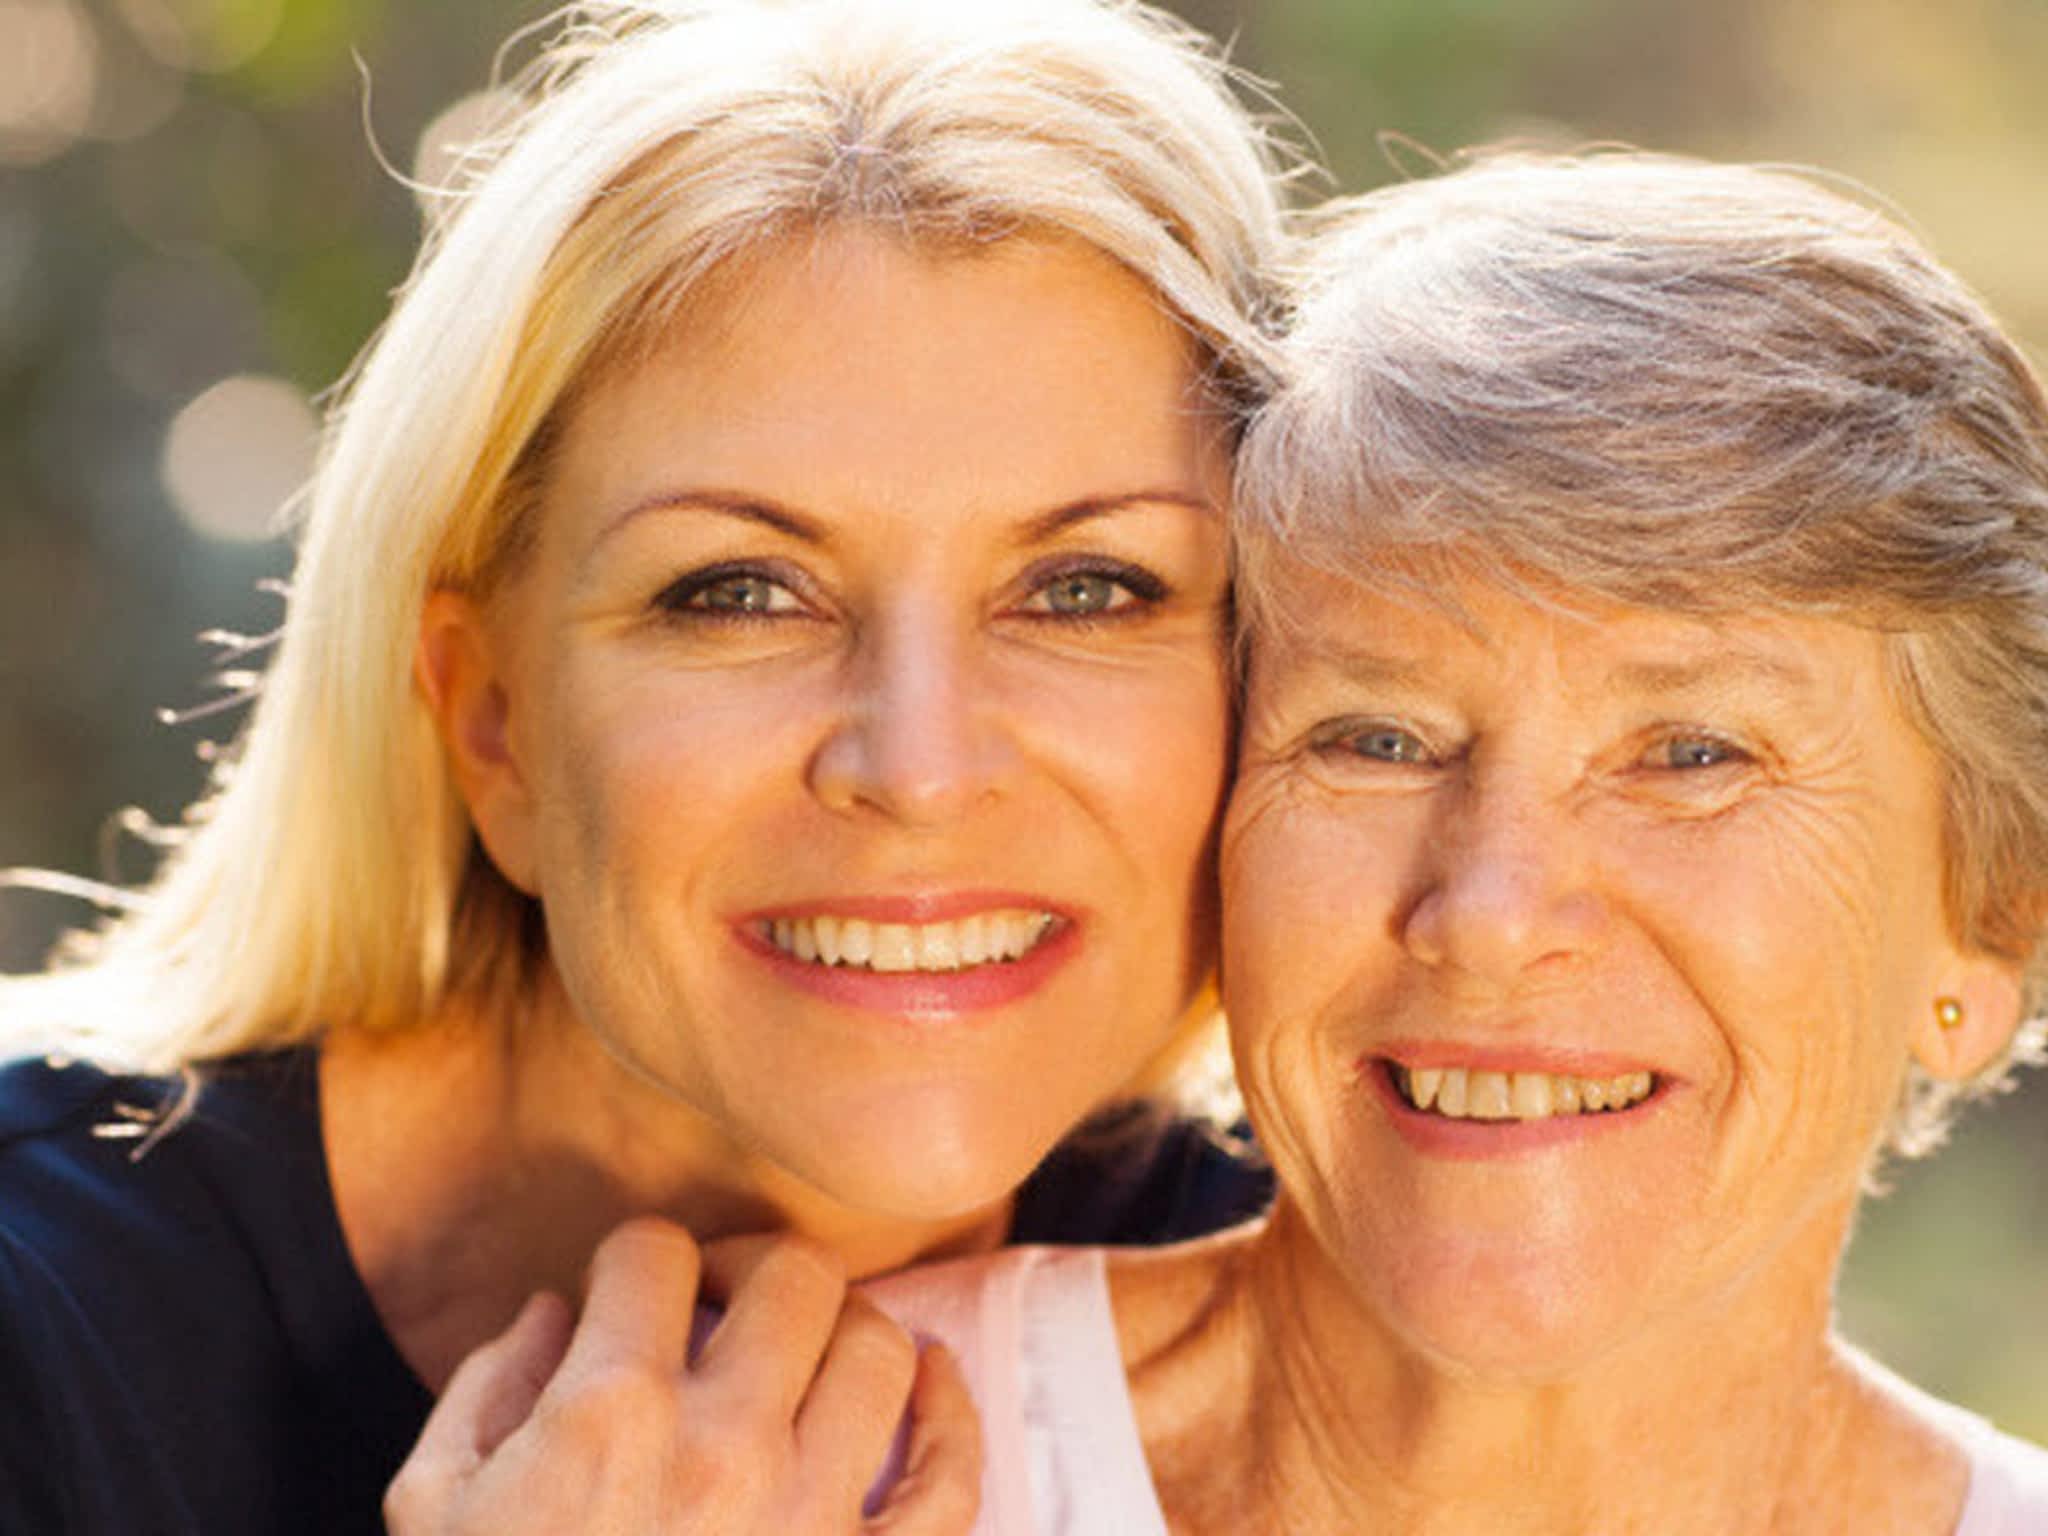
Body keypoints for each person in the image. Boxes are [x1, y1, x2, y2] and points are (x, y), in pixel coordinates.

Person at [0, 2, 1294, 1530]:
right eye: (738, 590)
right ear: (493, 724)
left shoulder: (1386, 1325)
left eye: (1089, 587)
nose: (923, 768)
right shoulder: (41, 1331)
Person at [836, 151, 2048, 1534]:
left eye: (1693, 755)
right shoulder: (792, 1464)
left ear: (1990, 912)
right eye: (1378, 740)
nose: (1489, 911)